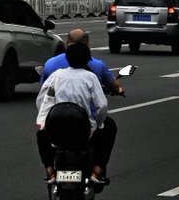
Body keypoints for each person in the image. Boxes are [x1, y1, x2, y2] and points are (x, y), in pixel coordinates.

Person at [39, 30, 122, 184]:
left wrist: (44, 120)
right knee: (110, 127)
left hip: (57, 129)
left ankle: (50, 171)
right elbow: (101, 105)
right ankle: (97, 171)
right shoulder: (90, 77)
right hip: (84, 130)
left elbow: (43, 100)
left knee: (40, 135)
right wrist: (98, 123)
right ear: (86, 59)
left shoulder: (56, 75)